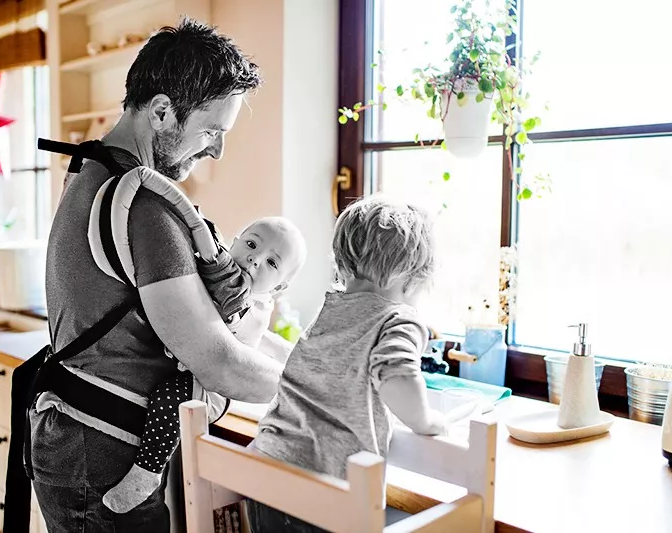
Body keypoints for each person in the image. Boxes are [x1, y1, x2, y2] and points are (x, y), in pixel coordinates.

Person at [32, 19, 287, 532]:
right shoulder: (145, 207)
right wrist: (319, 389)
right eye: (211, 130)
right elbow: (218, 364)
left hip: (75, 438)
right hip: (100, 454)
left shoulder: (92, 167)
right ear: (163, 110)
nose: (216, 150)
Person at [247, 195, 450, 533]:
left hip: (267, 468)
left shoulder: (332, 309)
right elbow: (396, 379)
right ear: (412, 276)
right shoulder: (401, 319)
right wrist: (427, 420)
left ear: (342, 262)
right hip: (325, 485)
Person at [98, 193, 307, 513]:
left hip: (212, 388)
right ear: (235, 242)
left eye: (271, 263)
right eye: (252, 245)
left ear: (278, 288)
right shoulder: (219, 274)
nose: (254, 260)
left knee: (168, 398)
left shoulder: (252, 302)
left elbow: (245, 333)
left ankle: (148, 471)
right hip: (181, 360)